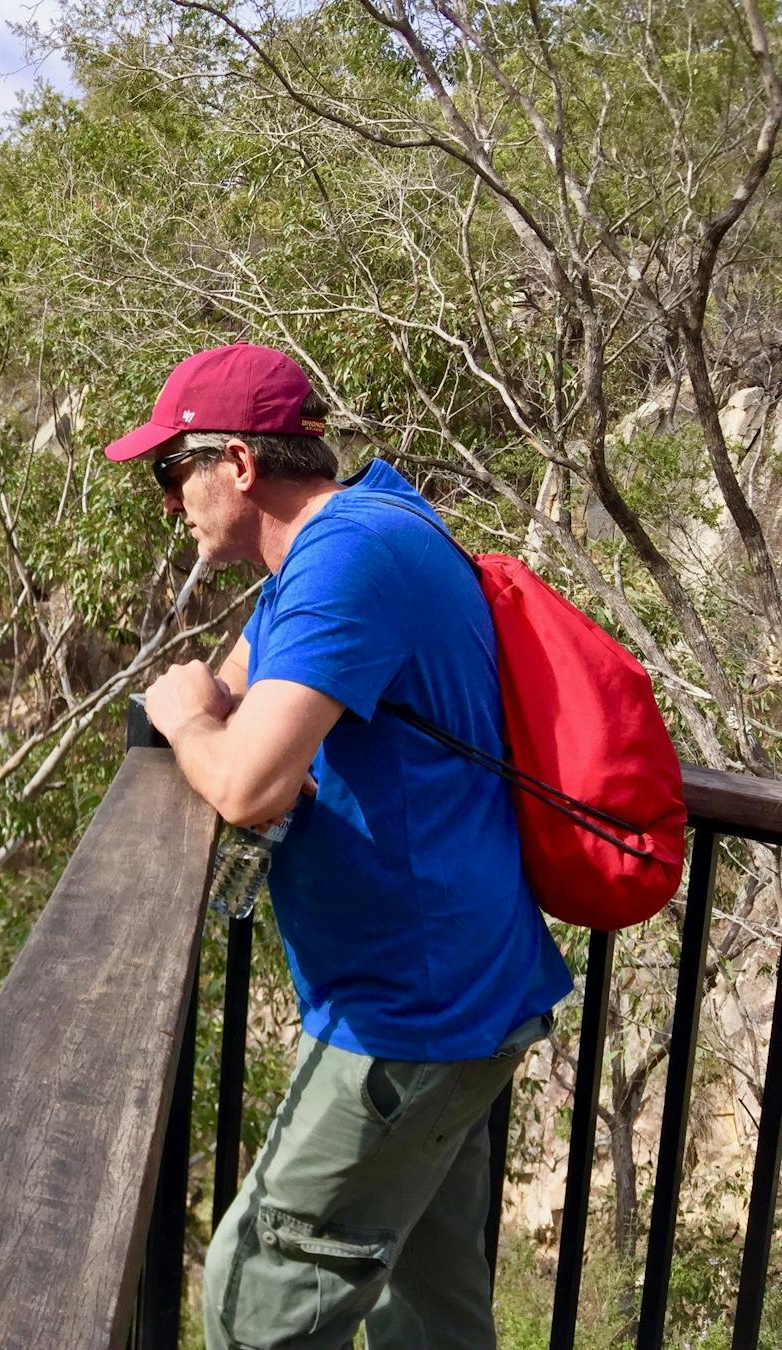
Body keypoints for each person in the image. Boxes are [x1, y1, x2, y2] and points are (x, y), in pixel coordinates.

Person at [107, 342, 573, 1349]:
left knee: (255, 1298)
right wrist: (210, 703)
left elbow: (246, 778)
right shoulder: (351, 533)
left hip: (415, 1011)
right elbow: (246, 691)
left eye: (170, 471)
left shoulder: (349, 558)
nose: (167, 501)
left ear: (236, 464)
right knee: (430, 1315)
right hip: (456, 991)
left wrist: (183, 717)